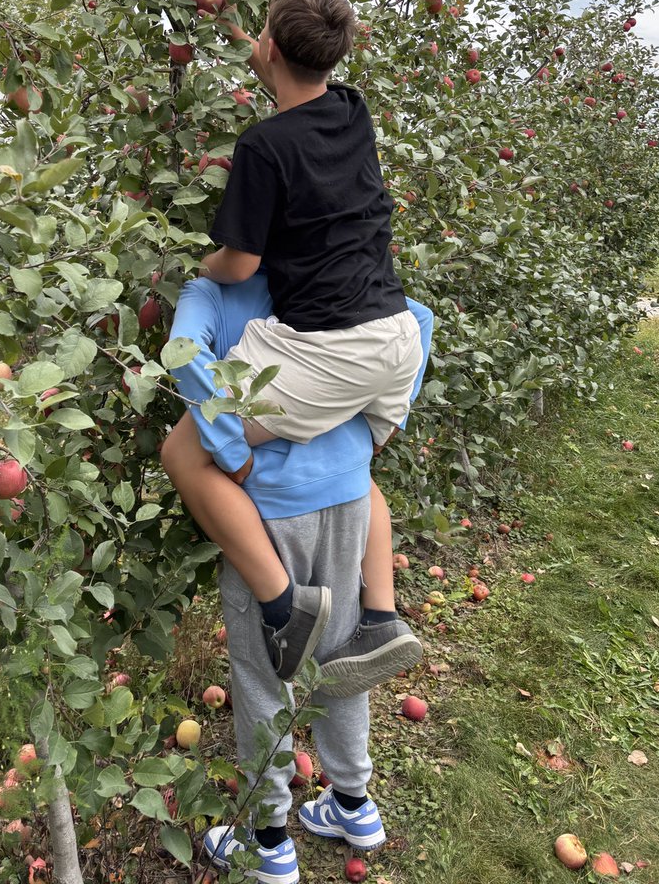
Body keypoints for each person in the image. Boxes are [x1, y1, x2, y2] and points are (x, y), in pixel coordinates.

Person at [161, 0, 423, 690]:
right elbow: (286, 74)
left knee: (184, 452)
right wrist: (233, 27)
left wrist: (200, 263)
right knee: (353, 461)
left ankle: (284, 608)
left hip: (328, 350)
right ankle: (380, 615)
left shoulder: (262, 147)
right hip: (398, 341)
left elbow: (240, 262)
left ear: (273, 47)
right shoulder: (351, 110)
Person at [162, 273, 433, 883]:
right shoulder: (325, 280)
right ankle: (354, 804)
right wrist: (379, 425)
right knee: (343, 654)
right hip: (349, 496)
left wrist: (231, 447)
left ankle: (268, 840)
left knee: (264, 676)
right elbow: (415, 318)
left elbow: (183, 353)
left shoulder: (209, 293)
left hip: (265, 513)